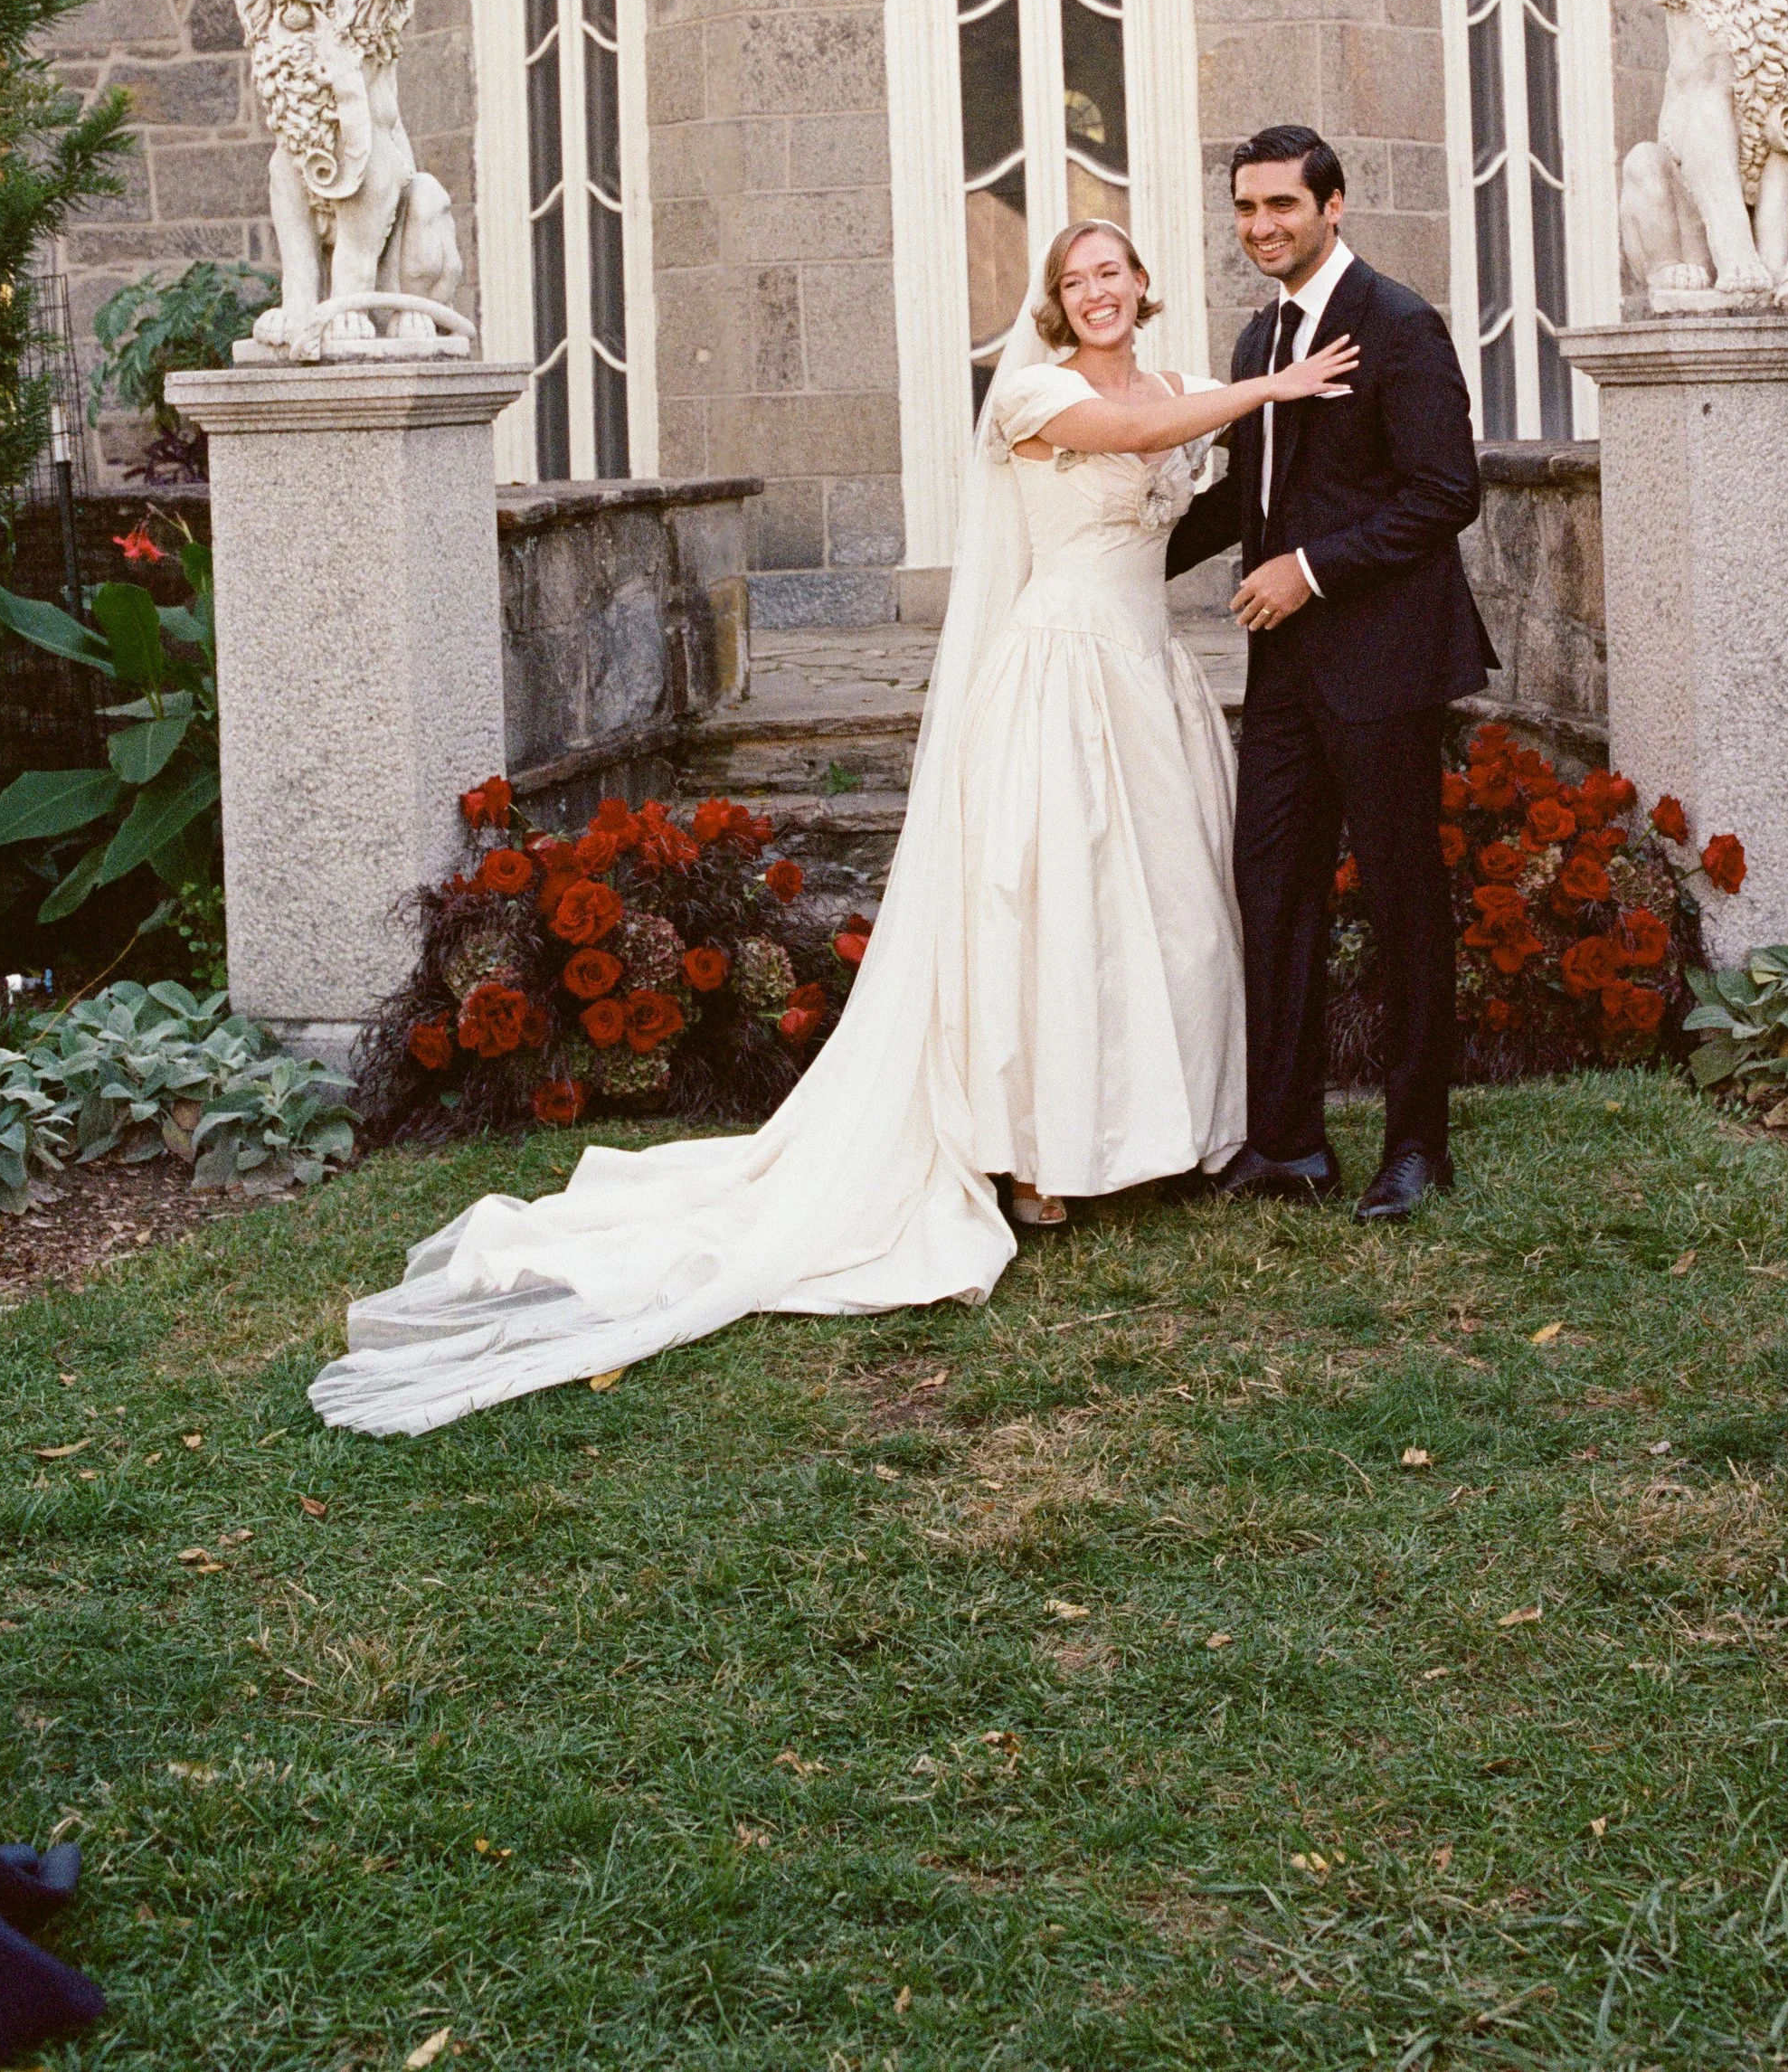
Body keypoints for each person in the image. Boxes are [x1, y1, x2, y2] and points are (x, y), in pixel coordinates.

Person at [308, 219, 1357, 1433]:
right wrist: (1276, 381)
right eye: (1076, 279)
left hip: (1146, 673)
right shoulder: (1034, 391)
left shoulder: (1181, 384)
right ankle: (1038, 1156)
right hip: (1060, 672)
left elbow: (1202, 478)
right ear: (1057, 304)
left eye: (1115, 269)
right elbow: (1128, 438)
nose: (1100, 290)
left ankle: (1158, 1135)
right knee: (1054, 907)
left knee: (1166, 913)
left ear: (1142, 282)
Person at [1164, 127, 1489, 1223]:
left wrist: (1306, 569)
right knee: (1273, 893)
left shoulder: (1398, 323)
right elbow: (1241, 495)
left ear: (1333, 203)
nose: (1261, 228)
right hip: (1286, 678)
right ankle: (1290, 1141)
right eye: (1246, 209)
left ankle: (1416, 1146)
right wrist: (1108, 549)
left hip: (1386, 664)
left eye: (1282, 208)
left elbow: (1445, 490)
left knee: (1403, 906)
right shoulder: (1261, 337)